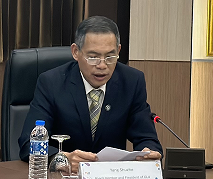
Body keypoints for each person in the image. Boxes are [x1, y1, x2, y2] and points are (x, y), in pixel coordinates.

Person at [19, 16, 162, 170]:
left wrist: (148, 152)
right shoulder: (51, 83)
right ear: (75, 52)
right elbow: (29, 143)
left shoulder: (132, 81)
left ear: (119, 51)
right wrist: (61, 159)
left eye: (110, 57)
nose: (102, 65)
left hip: (110, 177)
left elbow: (146, 137)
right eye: (93, 57)